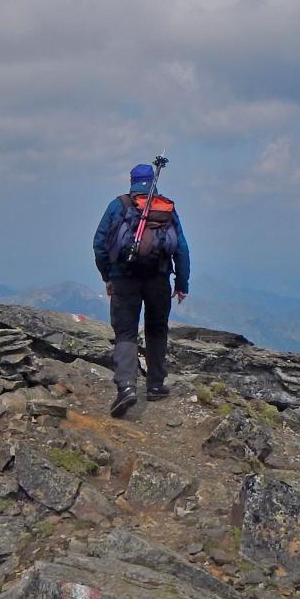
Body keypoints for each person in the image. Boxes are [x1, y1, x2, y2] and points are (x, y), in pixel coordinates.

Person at [93, 162, 190, 417]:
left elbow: (99, 243)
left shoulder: (119, 205)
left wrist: (108, 277)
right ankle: (156, 384)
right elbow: (181, 249)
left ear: (132, 180)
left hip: (124, 278)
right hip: (158, 278)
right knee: (157, 329)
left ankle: (126, 387)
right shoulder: (165, 208)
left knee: (125, 332)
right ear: (153, 182)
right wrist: (181, 284)